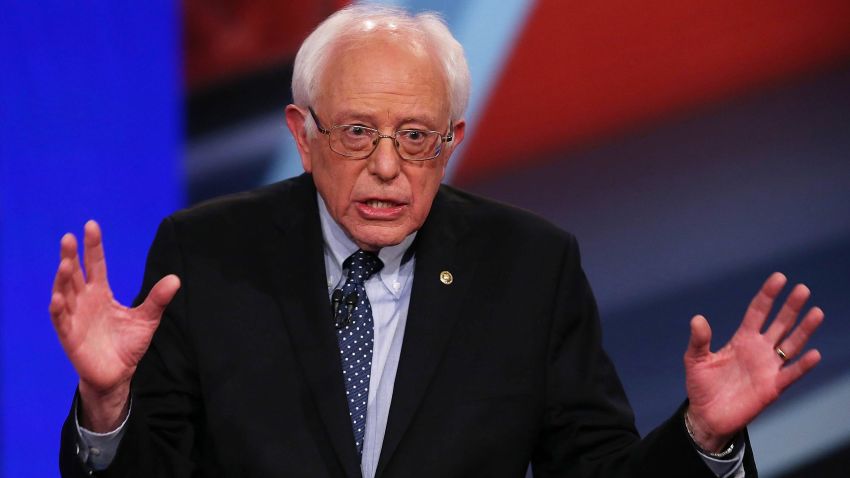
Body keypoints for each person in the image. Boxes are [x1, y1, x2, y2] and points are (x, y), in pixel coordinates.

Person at [51, 5, 824, 477]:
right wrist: (108, 405)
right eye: (357, 132)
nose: (386, 167)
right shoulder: (206, 256)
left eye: (415, 136)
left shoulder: (529, 269)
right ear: (302, 134)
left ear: (451, 141)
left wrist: (703, 439)